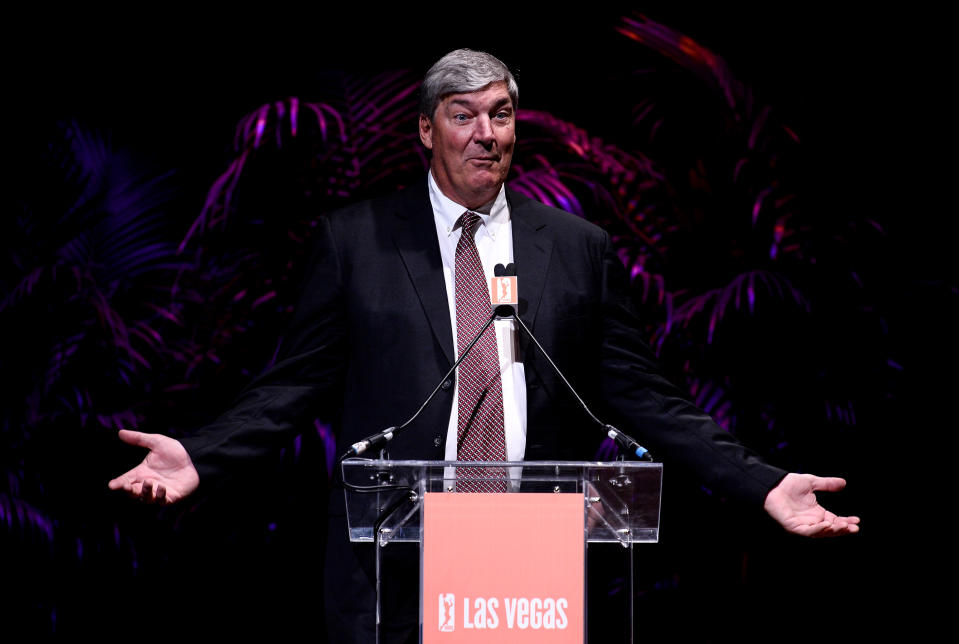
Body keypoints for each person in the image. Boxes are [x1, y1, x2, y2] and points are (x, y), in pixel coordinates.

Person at [109, 49, 859, 641]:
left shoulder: (575, 248)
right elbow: (294, 384)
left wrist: (759, 481)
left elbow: (644, 397)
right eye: (463, 115)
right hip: (394, 565)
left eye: (500, 115)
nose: (485, 134)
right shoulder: (357, 241)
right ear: (425, 130)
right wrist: (202, 454)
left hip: (529, 559)